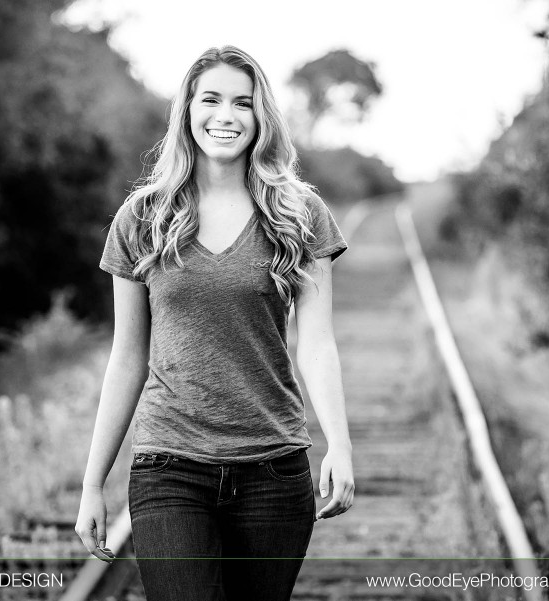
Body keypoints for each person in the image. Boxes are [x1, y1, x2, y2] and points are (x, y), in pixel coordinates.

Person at [75, 45, 354, 601]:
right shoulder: (143, 219)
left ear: (261, 118)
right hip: (168, 468)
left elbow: (317, 344)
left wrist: (340, 446)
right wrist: (93, 483)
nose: (225, 116)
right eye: (211, 99)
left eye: (243, 103)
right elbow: (127, 356)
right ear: (187, 111)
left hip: (273, 472)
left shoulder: (299, 214)